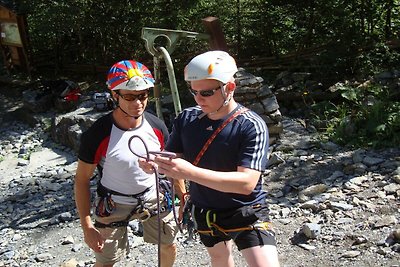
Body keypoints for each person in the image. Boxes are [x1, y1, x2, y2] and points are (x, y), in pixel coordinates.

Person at [140, 50, 280, 267]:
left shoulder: (251, 125)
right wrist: (154, 164)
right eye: (193, 91)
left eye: (206, 93)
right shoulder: (187, 119)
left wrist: (187, 172)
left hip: (245, 210)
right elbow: (172, 157)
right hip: (205, 210)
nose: (198, 99)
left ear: (229, 88)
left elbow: (247, 183)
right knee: (220, 260)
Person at [74, 60, 186, 267]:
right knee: (106, 260)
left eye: (143, 95)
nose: (138, 103)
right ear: (115, 95)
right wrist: (87, 225)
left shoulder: (156, 126)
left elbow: (171, 166)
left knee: (168, 245)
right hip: (114, 202)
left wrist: (183, 196)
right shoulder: (99, 134)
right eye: (129, 97)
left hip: (152, 195)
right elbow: (81, 179)